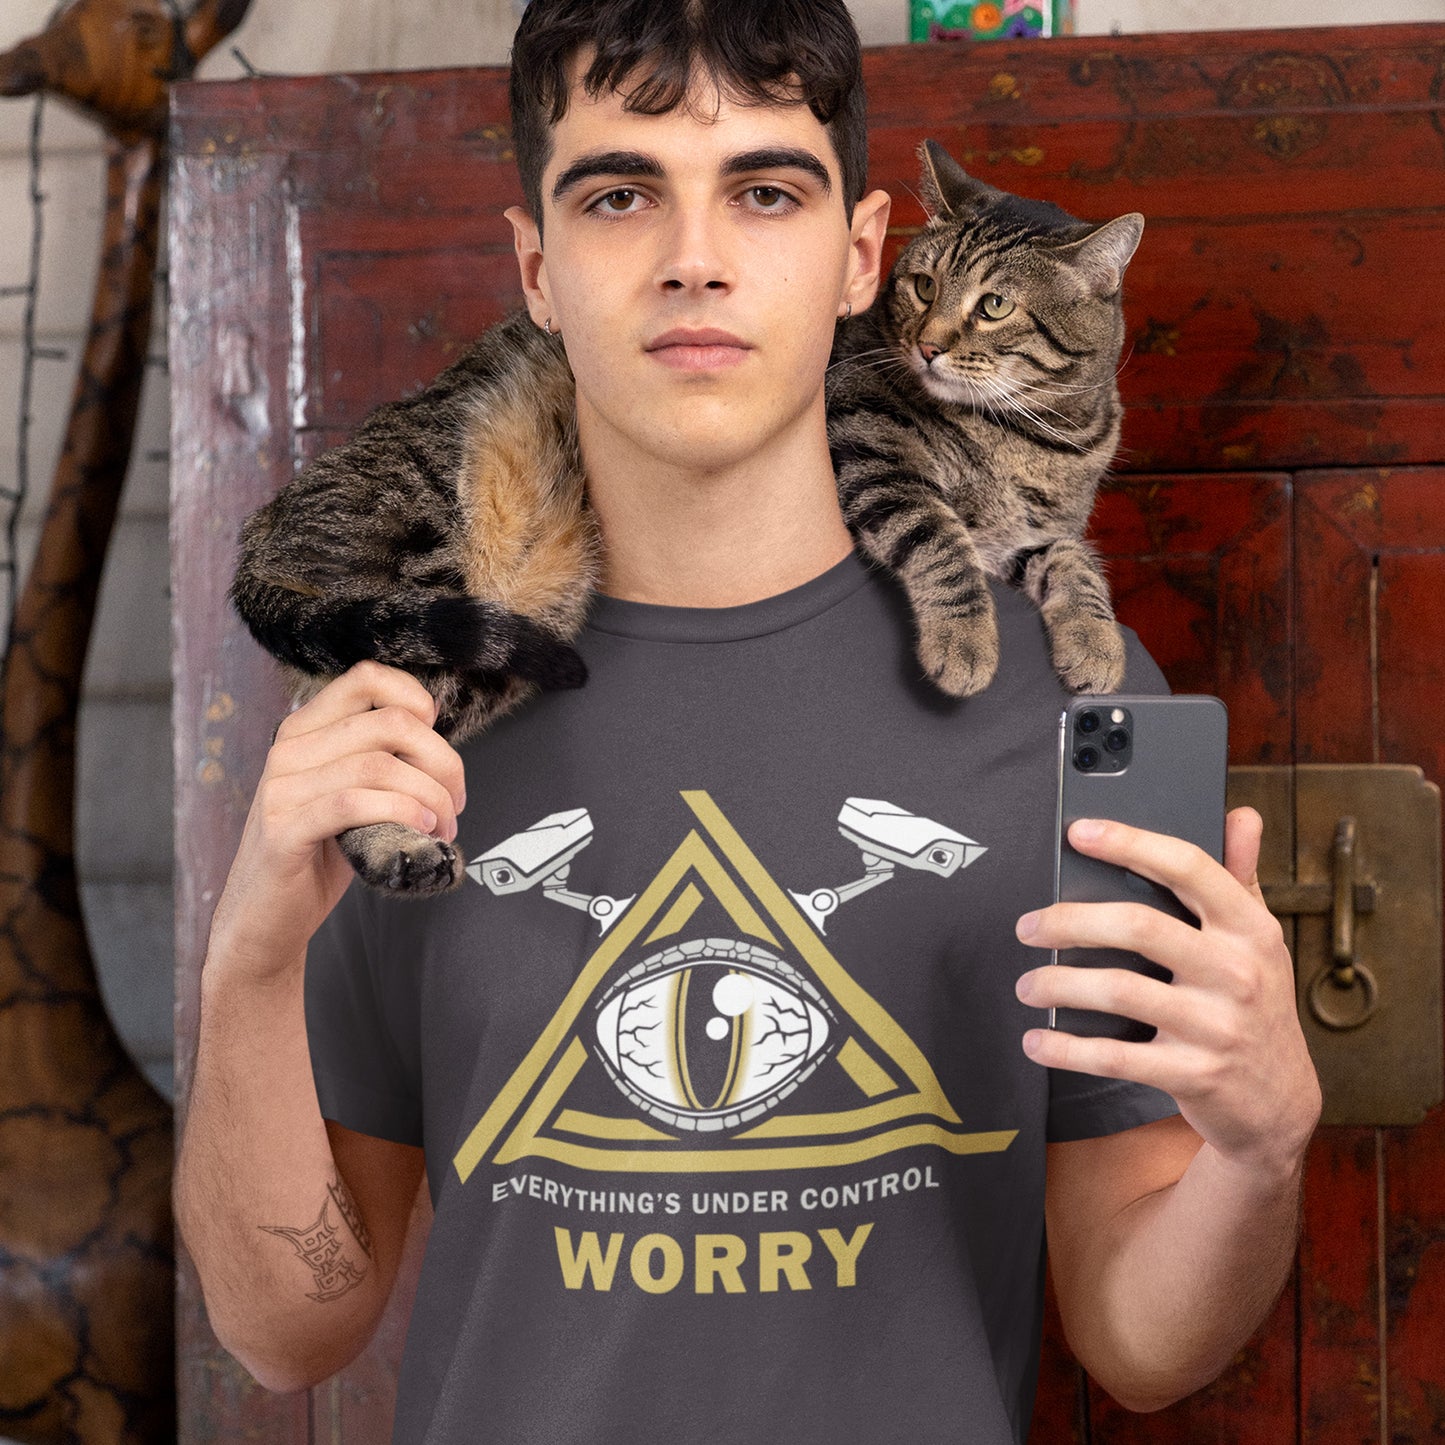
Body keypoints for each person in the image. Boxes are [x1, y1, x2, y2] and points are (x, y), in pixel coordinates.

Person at [173, 1, 1322, 1440]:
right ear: (536, 263)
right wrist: (249, 953)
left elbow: (1141, 1341)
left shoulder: (1062, 699)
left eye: (763, 189)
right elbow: (287, 1328)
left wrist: (1258, 1145)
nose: (693, 257)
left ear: (861, 255)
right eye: (618, 193)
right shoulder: (418, 703)